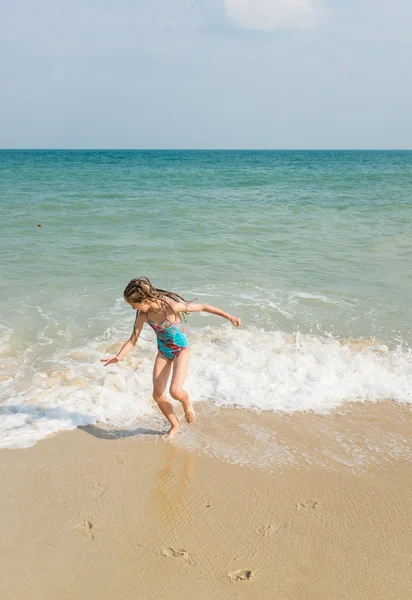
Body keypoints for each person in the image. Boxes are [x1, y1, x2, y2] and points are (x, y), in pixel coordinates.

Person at [101, 277, 241, 437]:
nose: (133, 309)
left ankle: (187, 402)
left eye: (134, 305)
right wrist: (118, 357)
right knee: (158, 395)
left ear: (145, 300)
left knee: (175, 391)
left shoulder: (171, 307)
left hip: (181, 350)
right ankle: (175, 425)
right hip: (163, 352)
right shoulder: (143, 315)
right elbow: (133, 339)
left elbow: (203, 307)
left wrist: (230, 317)